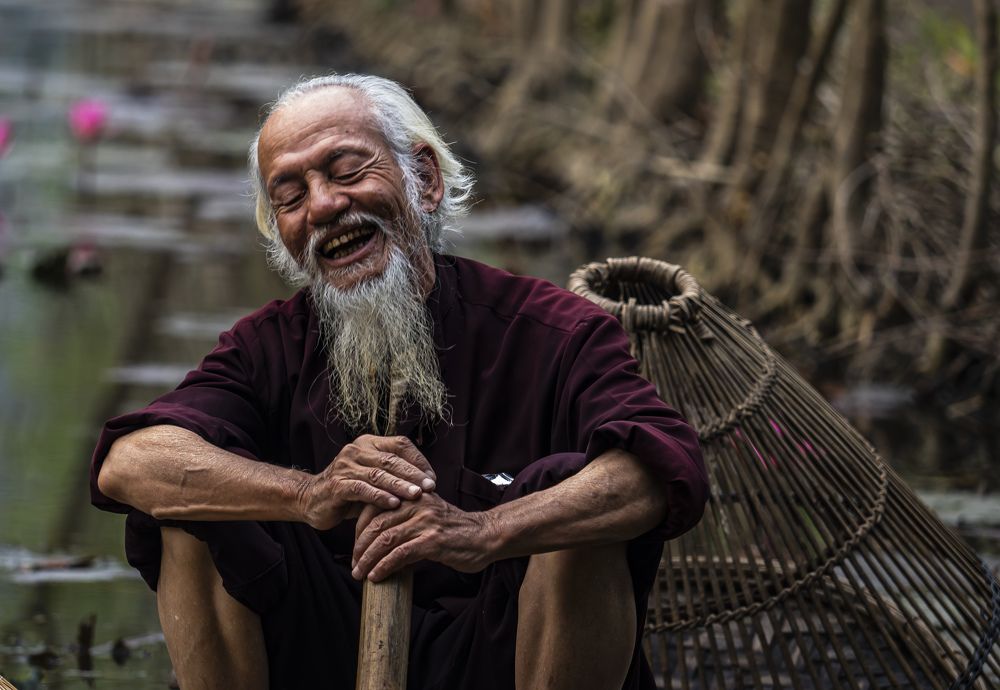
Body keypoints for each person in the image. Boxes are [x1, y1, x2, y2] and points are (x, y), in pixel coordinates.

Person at [90, 73, 708, 690]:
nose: (324, 205)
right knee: (195, 504)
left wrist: (486, 531)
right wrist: (306, 495)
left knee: (570, 497)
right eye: (291, 195)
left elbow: (658, 470)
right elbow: (130, 462)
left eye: (347, 170)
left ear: (426, 180)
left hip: (508, 657)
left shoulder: (555, 332)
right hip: (323, 656)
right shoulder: (266, 348)